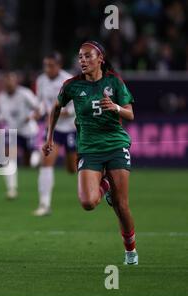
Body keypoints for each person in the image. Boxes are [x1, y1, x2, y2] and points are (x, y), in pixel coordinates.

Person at [42, 41, 138, 265]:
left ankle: (130, 251)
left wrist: (115, 107)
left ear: (100, 58)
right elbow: (56, 108)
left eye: (87, 56)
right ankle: (105, 185)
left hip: (115, 145)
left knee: (121, 204)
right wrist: (49, 137)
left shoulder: (114, 81)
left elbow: (130, 114)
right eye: (80, 57)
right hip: (89, 148)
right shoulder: (72, 85)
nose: (82, 60)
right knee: (87, 202)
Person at [34, 52, 77, 217]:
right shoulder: (41, 80)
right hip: (53, 129)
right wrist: (39, 112)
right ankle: (44, 204)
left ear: (59, 65)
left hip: (71, 128)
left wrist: (62, 112)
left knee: (71, 168)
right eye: (46, 65)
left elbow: (76, 105)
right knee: (46, 162)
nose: (47, 69)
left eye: (51, 65)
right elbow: (40, 102)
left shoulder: (69, 81)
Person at [0, 71, 41, 199]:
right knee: (8, 158)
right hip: (13, 132)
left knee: (30, 163)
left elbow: (39, 108)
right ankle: (11, 189)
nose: (8, 83)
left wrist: (32, 116)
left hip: (28, 130)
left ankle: (39, 157)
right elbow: (0, 115)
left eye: (11, 80)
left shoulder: (25, 94)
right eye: (6, 80)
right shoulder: (1, 97)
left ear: (16, 81)